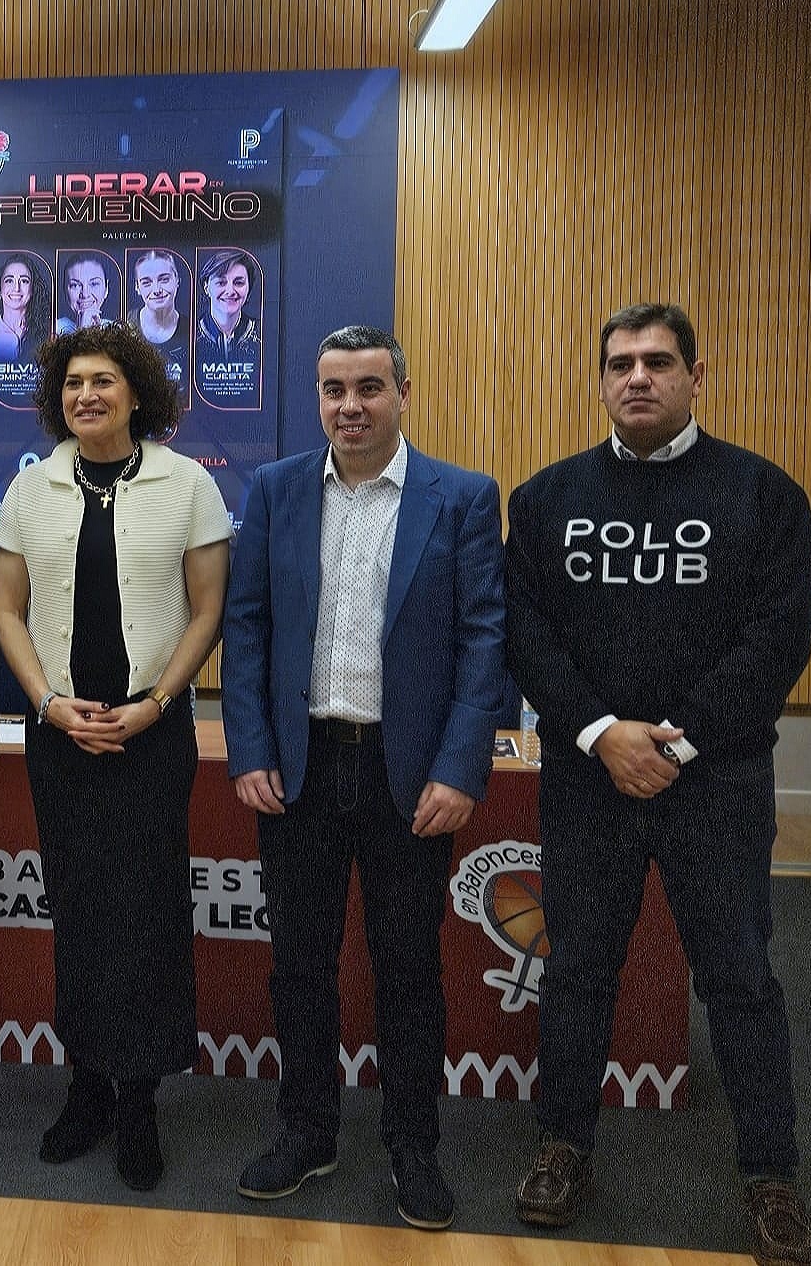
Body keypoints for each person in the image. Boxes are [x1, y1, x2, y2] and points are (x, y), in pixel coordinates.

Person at [506, 304, 811, 1266]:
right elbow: (529, 635)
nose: (637, 377)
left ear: (696, 375)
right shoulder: (548, 497)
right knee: (579, 975)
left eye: (657, 362)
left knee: (742, 983)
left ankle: (771, 1180)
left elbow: (776, 644)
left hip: (716, 783)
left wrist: (674, 747)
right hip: (589, 778)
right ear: (600, 381)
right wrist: (603, 735)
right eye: (619, 364)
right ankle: (565, 1148)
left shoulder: (765, 496)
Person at [221, 324, 506, 1231]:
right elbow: (251, 626)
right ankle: (308, 1130)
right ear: (317, 395)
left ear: (403, 394)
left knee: (407, 969)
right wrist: (253, 747)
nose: (350, 406)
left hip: (407, 777)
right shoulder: (274, 490)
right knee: (299, 966)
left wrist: (462, 765)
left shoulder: (460, 498)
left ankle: (412, 1147)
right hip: (302, 769)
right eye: (333, 389)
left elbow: (482, 643)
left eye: (369, 388)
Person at [0, 322, 229, 1191]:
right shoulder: (33, 489)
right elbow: (7, 610)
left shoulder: (186, 485)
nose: (86, 396)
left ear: (137, 394)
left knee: (148, 918)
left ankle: (139, 1099)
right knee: (80, 915)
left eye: (103, 381)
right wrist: (48, 706)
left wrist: (157, 704)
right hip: (63, 741)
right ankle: (85, 1086)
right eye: (72, 383)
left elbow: (206, 610)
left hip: (149, 740)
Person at [127, 248, 190, 381]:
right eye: (146, 282)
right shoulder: (125, 325)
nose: (156, 290)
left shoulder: (193, 330)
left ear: (177, 280)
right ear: (137, 287)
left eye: (164, 279)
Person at [0, 253, 51, 365]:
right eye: (9, 280)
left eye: (24, 281)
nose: (16, 288)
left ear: (32, 289)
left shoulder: (48, 332)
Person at [197, 249, 260, 363]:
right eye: (221, 283)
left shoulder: (263, 333)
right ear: (206, 287)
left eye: (239, 283)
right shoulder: (190, 333)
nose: (230, 291)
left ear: (248, 287)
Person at [56, 250, 112, 334]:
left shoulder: (117, 330)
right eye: (75, 285)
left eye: (94, 284)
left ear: (106, 289)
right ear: (65, 289)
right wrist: (82, 331)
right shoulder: (53, 329)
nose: (85, 294)